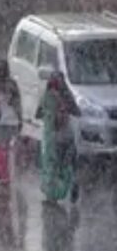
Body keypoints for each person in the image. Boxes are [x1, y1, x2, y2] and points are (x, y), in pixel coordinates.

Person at [37, 71, 81, 203]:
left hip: (53, 136)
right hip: (68, 135)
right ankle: (72, 182)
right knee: (68, 163)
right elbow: (77, 112)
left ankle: (52, 194)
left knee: (52, 164)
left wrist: (49, 114)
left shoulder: (47, 95)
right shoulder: (67, 95)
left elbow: (38, 113)